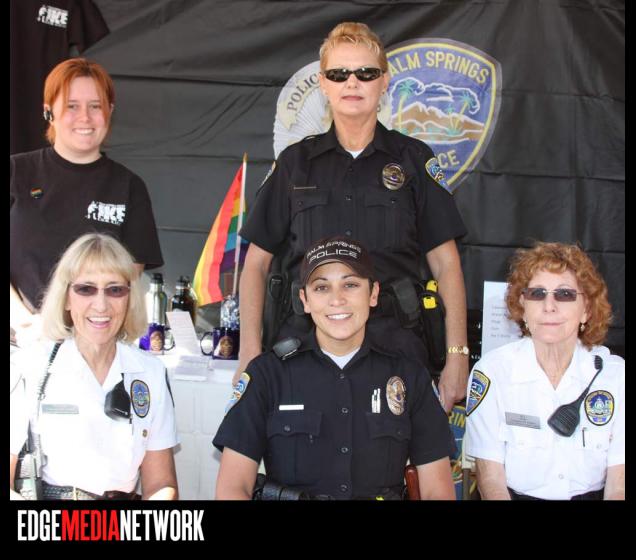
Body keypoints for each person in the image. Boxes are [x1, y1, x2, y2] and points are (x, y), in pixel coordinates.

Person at [237, 22, 468, 413]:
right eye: (339, 74)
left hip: (396, 352)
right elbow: (255, 266)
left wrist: (457, 356)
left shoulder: (413, 160)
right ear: (323, 85)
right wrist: (249, 353)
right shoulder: (294, 164)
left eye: (366, 73)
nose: (352, 83)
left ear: (384, 82)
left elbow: (447, 266)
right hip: (303, 352)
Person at [214, 236, 456, 500]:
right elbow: (232, 488)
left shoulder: (410, 376)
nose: (337, 300)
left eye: (350, 285)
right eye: (321, 288)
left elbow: (437, 491)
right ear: (304, 299)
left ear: (373, 293)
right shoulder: (268, 375)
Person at [10, 233, 178, 500]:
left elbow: (160, 483)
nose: (101, 305)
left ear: (129, 298)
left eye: (115, 290)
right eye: (86, 289)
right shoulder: (30, 367)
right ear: (66, 298)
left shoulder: (150, 373)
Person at [10, 57, 163, 346]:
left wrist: (87, 331)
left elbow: (125, 280)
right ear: (48, 111)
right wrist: (23, 322)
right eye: (72, 106)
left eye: (95, 106)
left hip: (94, 346)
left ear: (110, 112)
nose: (85, 117)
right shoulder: (16, 172)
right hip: (19, 344)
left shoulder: (129, 186)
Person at [464, 242, 624, 500]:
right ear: (522, 306)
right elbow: (490, 479)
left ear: (586, 309)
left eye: (565, 294)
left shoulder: (615, 377)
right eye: (537, 293)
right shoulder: (492, 373)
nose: (549, 305)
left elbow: (619, 485)